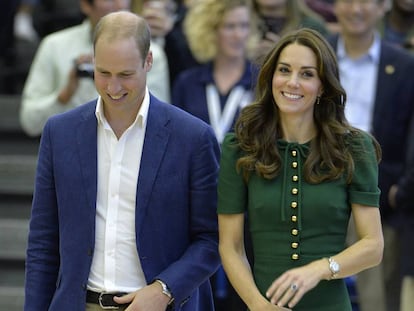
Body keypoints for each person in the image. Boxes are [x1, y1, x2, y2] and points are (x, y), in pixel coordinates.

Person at [24, 10, 221, 311]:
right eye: (103, 73)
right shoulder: (59, 133)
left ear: (148, 62)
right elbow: (42, 242)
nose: (113, 88)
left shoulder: (193, 138)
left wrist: (165, 289)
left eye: (126, 75)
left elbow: (212, 238)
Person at [217, 27, 384, 311]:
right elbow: (230, 247)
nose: (292, 82)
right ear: (271, 77)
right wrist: (258, 304)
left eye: (307, 74)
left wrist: (319, 269)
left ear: (323, 86)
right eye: (284, 70)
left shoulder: (354, 148)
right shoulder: (241, 146)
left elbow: (373, 246)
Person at [329, 0, 414, 310]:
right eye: (348, 0)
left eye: (367, 1)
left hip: (380, 194)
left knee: (378, 295)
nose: (356, 9)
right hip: (319, 183)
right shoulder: (316, 55)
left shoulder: (404, 65)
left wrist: (400, 191)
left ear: (383, 8)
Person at [19, 0, 170, 138]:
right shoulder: (54, 46)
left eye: (126, 73)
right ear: (85, 4)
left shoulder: (152, 54)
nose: (120, 5)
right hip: (70, 150)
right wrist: (64, 96)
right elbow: (30, 123)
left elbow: (159, 123)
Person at [172, 0, 259, 144]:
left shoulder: (262, 80)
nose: (239, 35)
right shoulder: (187, 83)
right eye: (230, 27)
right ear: (211, 31)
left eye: (244, 26)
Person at [252, 0, 329, 62]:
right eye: (243, 26)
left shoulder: (312, 27)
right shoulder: (241, 19)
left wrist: (283, 53)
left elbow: (326, 67)